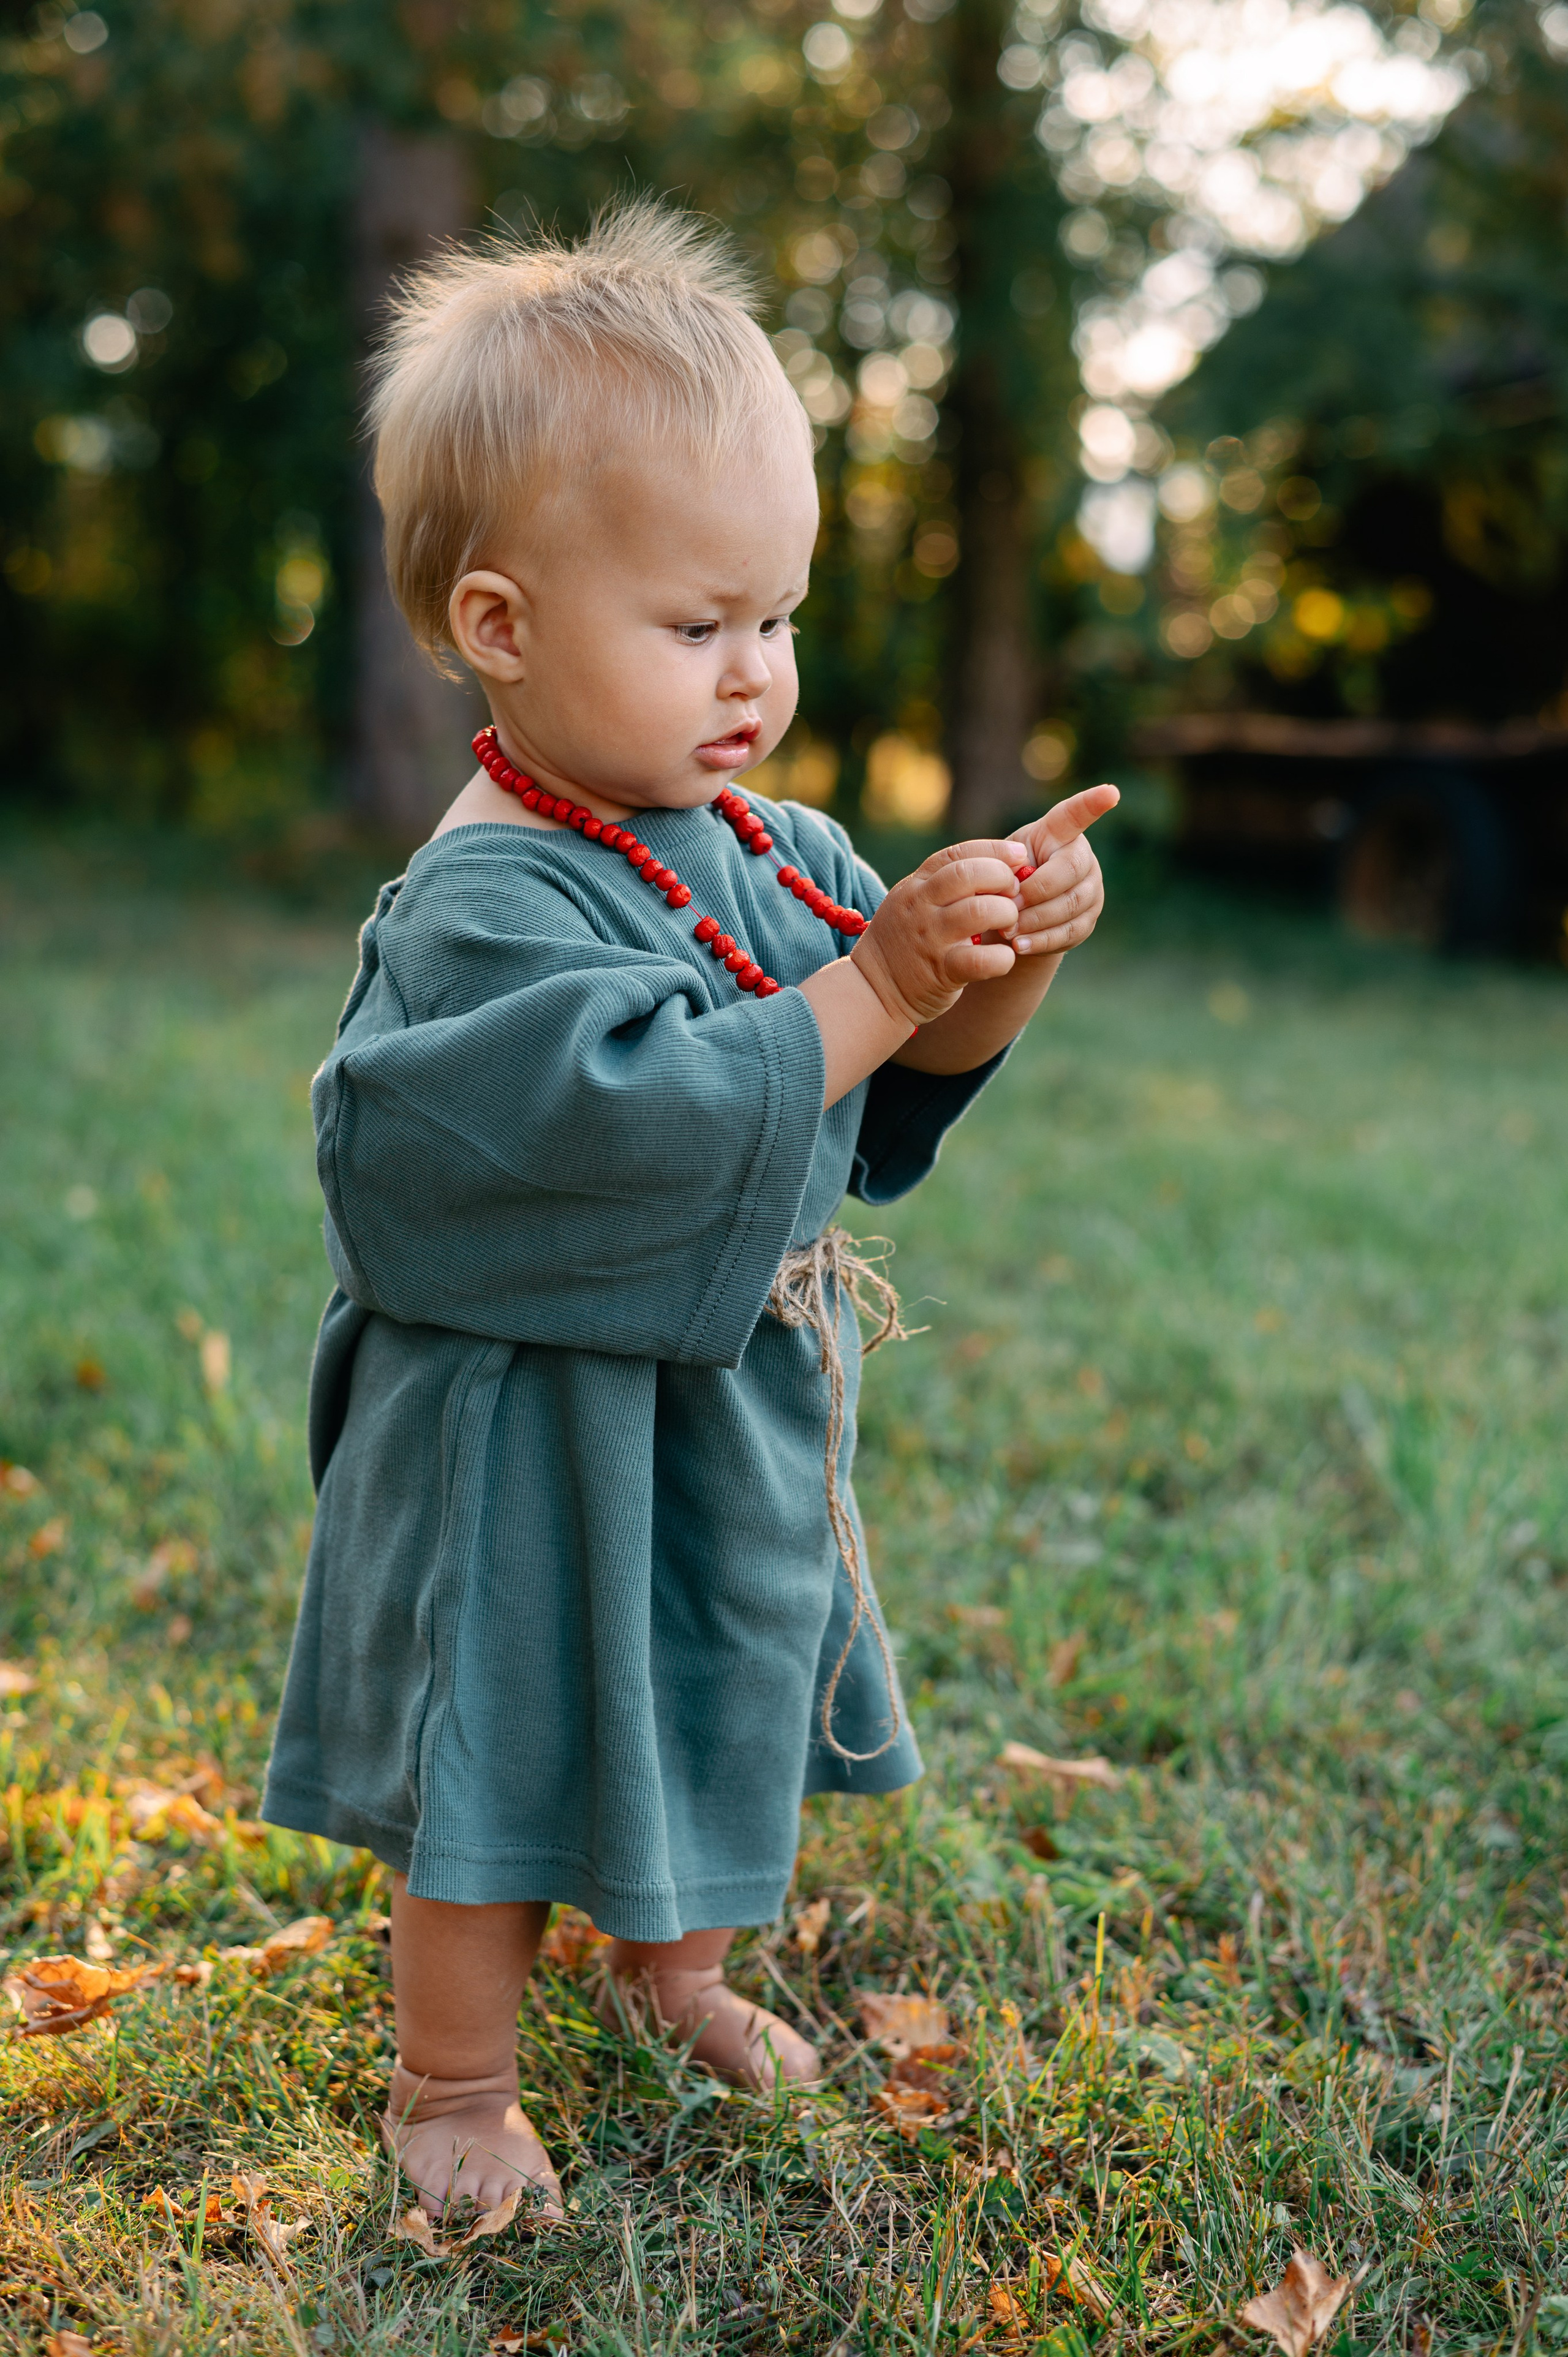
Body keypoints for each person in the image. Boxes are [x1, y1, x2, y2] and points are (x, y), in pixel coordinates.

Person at [260, 197, 1117, 2222]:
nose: (757, 674)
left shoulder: (768, 843)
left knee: (720, 1679)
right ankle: (454, 2081)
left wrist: (1001, 958)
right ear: (501, 626)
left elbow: (874, 1086)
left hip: (707, 1407)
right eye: (696, 624)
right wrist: (881, 979)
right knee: (505, 1740)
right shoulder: (489, 899)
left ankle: (682, 1967)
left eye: (780, 616)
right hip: (519, 1431)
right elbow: (615, 1114)